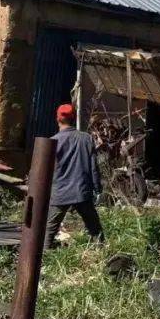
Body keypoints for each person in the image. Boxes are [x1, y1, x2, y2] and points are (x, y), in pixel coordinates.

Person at [45, 103, 104, 247]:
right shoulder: (86, 138)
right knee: (94, 227)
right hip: (81, 191)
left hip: (60, 192)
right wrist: (98, 189)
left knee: (49, 229)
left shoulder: (52, 142)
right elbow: (93, 167)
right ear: (73, 118)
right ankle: (101, 252)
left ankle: (44, 255)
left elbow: (47, 170)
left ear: (57, 119)